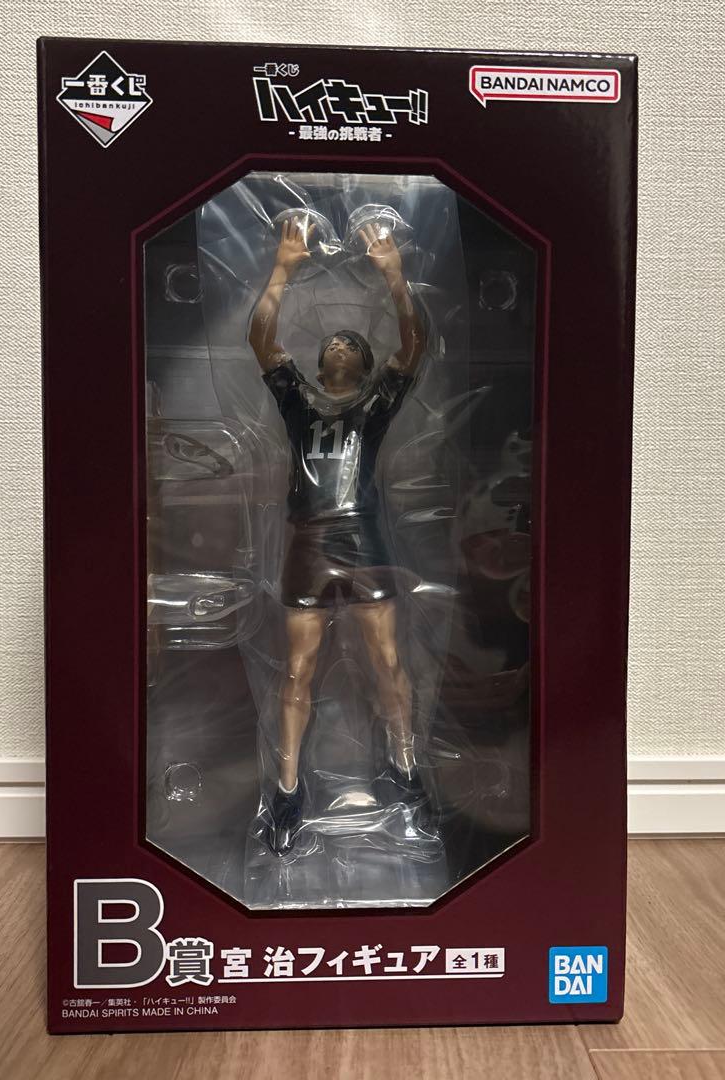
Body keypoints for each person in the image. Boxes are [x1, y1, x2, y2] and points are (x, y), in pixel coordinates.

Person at [248, 215, 429, 855]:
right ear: (321, 365)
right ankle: (288, 789)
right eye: (334, 345)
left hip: (363, 537)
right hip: (309, 541)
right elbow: (261, 339)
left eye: (353, 344)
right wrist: (281, 270)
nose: (342, 347)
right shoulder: (297, 401)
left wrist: (396, 276)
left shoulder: (375, 406)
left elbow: (415, 344)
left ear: (366, 364)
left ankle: (405, 769)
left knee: (387, 659)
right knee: (297, 668)